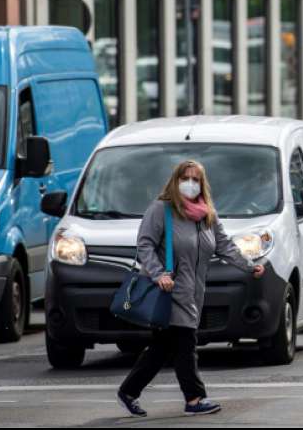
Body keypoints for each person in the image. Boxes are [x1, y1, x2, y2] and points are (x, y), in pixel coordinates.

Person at [117, 160, 265, 418]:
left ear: (202, 184)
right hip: (169, 290)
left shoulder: (207, 215)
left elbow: (225, 246)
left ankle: (129, 391)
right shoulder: (162, 210)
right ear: (175, 180)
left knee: (162, 347)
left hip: (194, 293)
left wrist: (249, 266)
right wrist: (158, 273)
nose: (190, 183)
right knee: (186, 344)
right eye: (185, 178)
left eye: (196, 179)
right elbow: (144, 245)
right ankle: (195, 399)